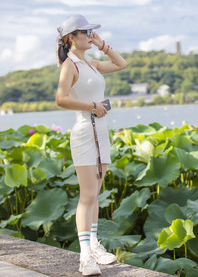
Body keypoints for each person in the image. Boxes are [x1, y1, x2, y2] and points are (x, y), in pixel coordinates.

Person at [55, 15, 128, 276]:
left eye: (90, 31)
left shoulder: (92, 63)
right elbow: (61, 99)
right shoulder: (69, 65)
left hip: (102, 130)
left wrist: (103, 44)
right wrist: (92, 107)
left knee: (95, 193)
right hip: (85, 131)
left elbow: (122, 63)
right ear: (71, 37)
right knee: (87, 195)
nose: (89, 35)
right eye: (84, 32)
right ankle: (85, 256)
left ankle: (95, 246)